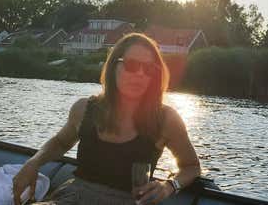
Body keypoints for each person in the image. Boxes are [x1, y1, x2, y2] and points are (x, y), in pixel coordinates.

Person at [12, 33, 201, 205]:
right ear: (113, 67)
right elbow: (60, 142)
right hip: (73, 198)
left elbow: (191, 166)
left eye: (149, 69)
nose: (140, 74)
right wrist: (33, 163)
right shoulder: (84, 109)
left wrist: (169, 186)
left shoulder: (166, 119)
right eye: (132, 65)